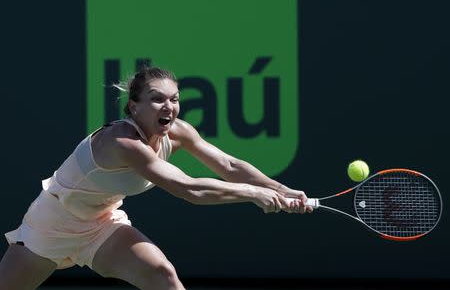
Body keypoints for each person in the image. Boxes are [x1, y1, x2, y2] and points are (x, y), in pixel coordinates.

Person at [0, 66, 313, 290]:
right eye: (157, 99)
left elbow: (229, 165)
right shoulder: (122, 142)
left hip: (101, 223)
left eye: (174, 99)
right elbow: (188, 188)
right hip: (52, 223)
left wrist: (281, 190)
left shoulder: (177, 132)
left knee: (162, 275)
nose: (170, 107)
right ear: (134, 107)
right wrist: (253, 194)